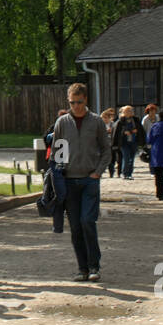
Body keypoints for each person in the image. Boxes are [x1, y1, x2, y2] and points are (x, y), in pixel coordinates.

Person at [49, 83, 110, 283]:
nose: (75, 106)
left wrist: (98, 172)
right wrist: (58, 177)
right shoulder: (62, 122)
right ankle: (82, 268)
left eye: (79, 102)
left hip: (89, 180)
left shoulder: (96, 122)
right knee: (75, 226)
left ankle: (94, 265)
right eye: (72, 102)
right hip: (68, 181)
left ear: (86, 100)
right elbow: (57, 152)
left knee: (87, 222)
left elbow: (106, 150)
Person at [111, 105, 141, 180]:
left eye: (130, 111)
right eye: (127, 111)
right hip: (124, 143)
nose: (129, 112)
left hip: (133, 142)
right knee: (126, 157)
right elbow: (116, 132)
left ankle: (130, 173)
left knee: (132, 158)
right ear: (123, 112)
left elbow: (140, 130)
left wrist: (136, 132)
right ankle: (125, 173)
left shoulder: (135, 120)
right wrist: (124, 132)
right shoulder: (120, 121)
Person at [101, 108, 119, 178]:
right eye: (103, 117)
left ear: (109, 118)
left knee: (111, 159)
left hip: (111, 143)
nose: (105, 119)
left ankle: (111, 172)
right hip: (102, 144)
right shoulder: (100, 124)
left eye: (106, 118)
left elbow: (115, 133)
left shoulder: (113, 124)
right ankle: (100, 172)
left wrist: (111, 131)